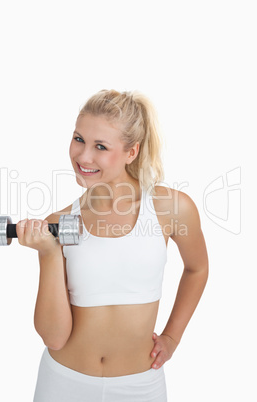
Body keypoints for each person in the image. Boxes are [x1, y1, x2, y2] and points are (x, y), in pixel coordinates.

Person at [16, 89, 209, 401]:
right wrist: (49, 253)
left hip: (140, 386)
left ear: (131, 152)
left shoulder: (170, 207)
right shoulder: (60, 222)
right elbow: (54, 337)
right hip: (64, 383)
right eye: (78, 139)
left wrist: (172, 337)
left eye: (101, 146)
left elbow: (197, 268)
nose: (83, 156)